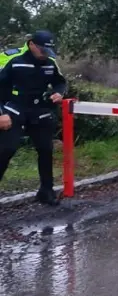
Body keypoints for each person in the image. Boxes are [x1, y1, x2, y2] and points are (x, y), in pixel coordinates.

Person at [0, 30, 67, 205]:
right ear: (31, 45)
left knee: (45, 150)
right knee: (6, 150)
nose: (45, 55)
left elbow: (60, 82)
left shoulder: (50, 64)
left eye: (48, 51)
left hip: (39, 110)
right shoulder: (12, 60)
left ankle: (46, 191)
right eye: (42, 50)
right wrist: (2, 114)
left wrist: (59, 93)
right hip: (13, 110)